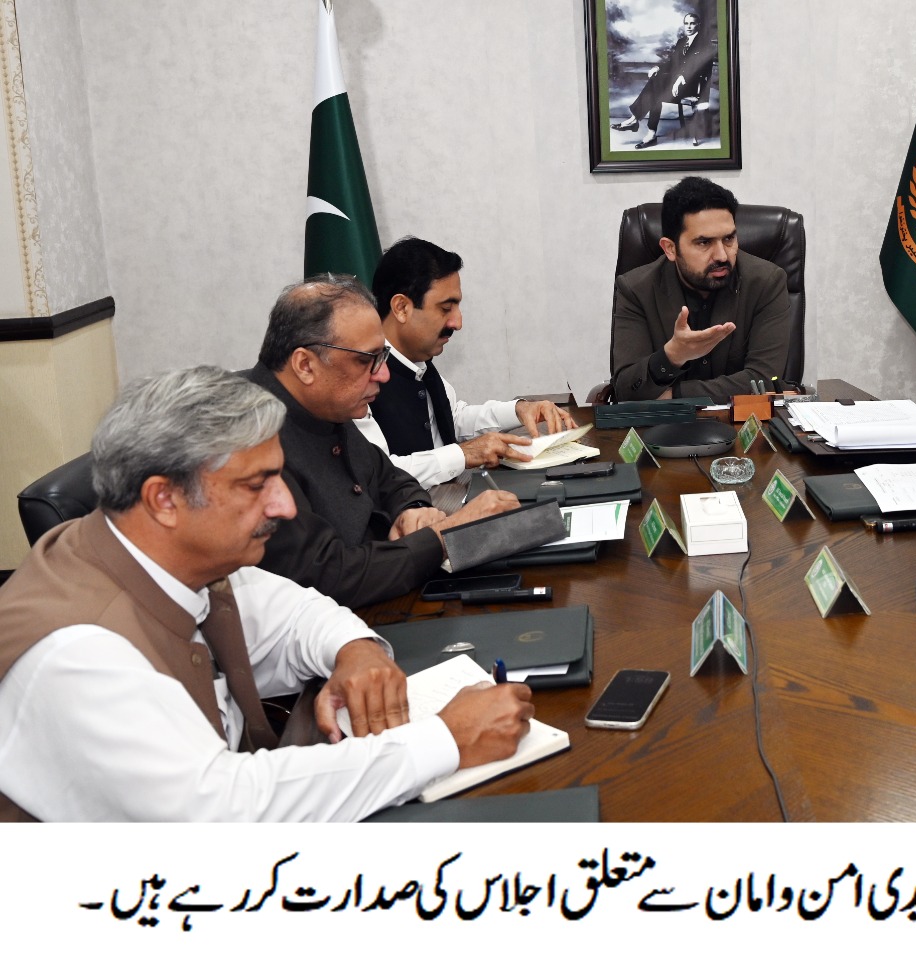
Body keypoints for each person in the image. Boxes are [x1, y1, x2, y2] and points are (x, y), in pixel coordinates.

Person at [0, 366, 537, 821]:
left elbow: (296, 613)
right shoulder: (78, 654)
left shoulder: (174, 557)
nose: (285, 506)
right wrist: (445, 741)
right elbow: (227, 811)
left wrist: (357, 652)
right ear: (163, 499)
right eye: (257, 485)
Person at [247, 276, 519, 608]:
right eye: (366, 360)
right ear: (305, 365)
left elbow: (388, 476)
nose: (384, 374)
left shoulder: (324, 403)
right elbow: (327, 576)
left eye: (382, 357)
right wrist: (447, 534)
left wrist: (413, 510)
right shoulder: (245, 435)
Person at [357, 236, 578, 488]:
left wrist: (519, 410)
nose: (457, 323)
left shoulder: (419, 362)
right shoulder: (357, 378)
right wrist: (464, 454)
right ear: (401, 308)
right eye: (445, 309)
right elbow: (379, 473)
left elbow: (452, 418)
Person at [610, 176, 790, 403]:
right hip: (664, 423)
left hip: (745, 420)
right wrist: (672, 355)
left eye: (729, 238)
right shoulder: (636, 290)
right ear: (670, 248)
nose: (722, 255)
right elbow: (626, 389)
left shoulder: (767, 282)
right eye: (704, 242)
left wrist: (676, 394)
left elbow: (765, 380)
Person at [611, 12, 715, 149]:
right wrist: (657, 67)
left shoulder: (705, 44)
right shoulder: (681, 42)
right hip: (676, 86)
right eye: (686, 23)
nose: (689, 26)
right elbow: (672, 63)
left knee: (656, 88)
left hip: (693, 86)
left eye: (692, 23)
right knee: (655, 87)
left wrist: (681, 78)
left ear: (698, 25)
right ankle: (648, 132)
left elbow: (699, 68)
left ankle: (636, 122)